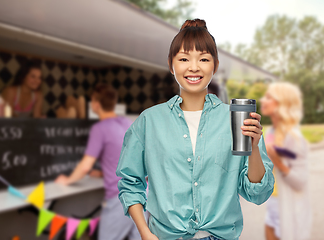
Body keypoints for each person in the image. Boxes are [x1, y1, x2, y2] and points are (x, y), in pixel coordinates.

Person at [116, 19, 274, 240]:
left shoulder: (236, 119)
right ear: (171, 65)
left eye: (203, 59)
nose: (194, 67)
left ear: (215, 66)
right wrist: (145, 233)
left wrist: (254, 148)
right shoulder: (149, 121)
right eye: (183, 59)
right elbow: (130, 183)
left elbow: (257, 194)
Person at [55, 83, 141, 240]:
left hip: (121, 200)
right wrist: (102, 173)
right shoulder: (127, 123)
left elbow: (84, 166)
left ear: (95, 104)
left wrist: (67, 180)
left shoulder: (100, 128)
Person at [260, 82, 311, 240]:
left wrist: (278, 161)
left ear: (282, 103)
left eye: (269, 97)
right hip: (273, 201)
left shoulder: (294, 137)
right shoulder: (270, 132)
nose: (263, 100)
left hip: (288, 206)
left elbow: (301, 182)